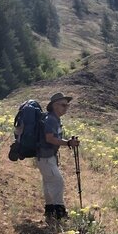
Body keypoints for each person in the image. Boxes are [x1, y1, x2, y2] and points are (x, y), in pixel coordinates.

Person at [37, 92, 79, 220]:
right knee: (57, 182)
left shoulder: (54, 119)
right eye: (63, 105)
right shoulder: (51, 120)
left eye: (67, 106)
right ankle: (59, 212)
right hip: (46, 157)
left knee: (49, 182)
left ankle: (50, 211)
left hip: (47, 156)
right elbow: (50, 138)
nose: (66, 108)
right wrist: (68, 143)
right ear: (55, 106)